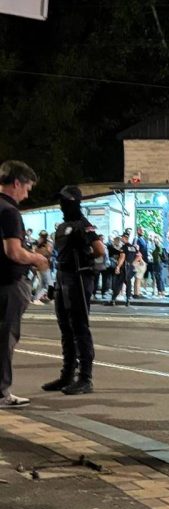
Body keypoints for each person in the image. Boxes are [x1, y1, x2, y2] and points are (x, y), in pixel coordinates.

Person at [40, 186, 105, 395]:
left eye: (64, 201)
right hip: (63, 278)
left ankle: (85, 378)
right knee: (65, 328)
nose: (61, 205)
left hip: (78, 278)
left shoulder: (83, 224)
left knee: (79, 327)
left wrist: (86, 262)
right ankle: (67, 374)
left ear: (74, 202)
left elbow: (100, 250)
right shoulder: (63, 226)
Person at [0, 161, 46, 408]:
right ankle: (2, 393)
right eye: (27, 188)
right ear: (16, 183)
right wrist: (36, 258)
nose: (27, 195)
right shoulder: (9, 211)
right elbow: (14, 252)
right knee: (5, 339)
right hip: (8, 284)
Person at [108, 232, 138, 306]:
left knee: (118, 284)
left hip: (124, 268)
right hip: (131, 268)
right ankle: (128, 300)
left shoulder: (124, 248)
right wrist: (133, 264)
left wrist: (118, 267)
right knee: (128, 283)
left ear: (125, 238)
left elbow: (122, 258)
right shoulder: (133, 247)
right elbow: (139, 256)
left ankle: (113, 300)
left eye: (122, 237)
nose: (121, 239)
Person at [30, 230, 54, 304]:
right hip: (43, 267)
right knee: (46, 285)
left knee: (44, 284)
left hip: (43, 266)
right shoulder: (44, 244)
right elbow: (48, 254)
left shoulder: (40, 244)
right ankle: (36, 298)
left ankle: (38, 298)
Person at [133, 226, 149, 298]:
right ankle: (136, 293)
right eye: (140, 230)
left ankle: (138, 292)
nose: (142, 231)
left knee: (139, 277)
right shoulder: (137, 239)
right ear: (137, 231)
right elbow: (137, 250)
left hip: (143, 260)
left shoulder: (143, 239)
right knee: (138, 277)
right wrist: (140, 260)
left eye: (142, 230)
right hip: (139, 260)